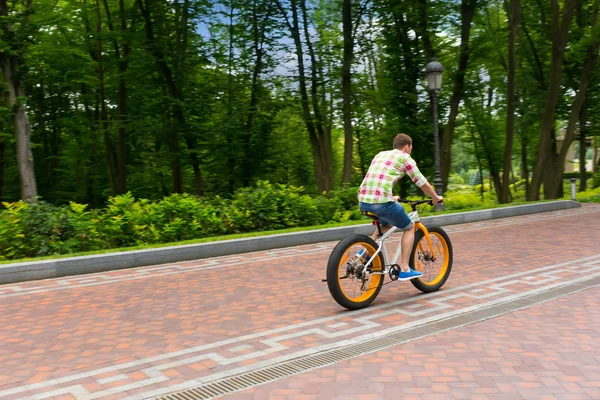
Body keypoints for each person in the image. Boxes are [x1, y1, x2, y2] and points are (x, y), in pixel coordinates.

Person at [357, 133, 443, 281]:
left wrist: (391, 197)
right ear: (406, 147)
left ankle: (366, 253)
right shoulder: (405, 157)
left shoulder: (381, 155)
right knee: (409, 227)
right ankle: (404, 268)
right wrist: (435, 198)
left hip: (363, 201)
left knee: (385, 224)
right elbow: (421, 182)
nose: (410, 151)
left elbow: (379, 178)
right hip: (381, 202)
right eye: (410, 148)